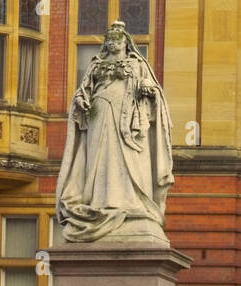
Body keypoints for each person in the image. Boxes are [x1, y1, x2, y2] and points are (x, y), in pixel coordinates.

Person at [56, 20, 174, 243]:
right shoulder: (96, 65)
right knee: (99, 159)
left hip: (127, 117)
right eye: (109, 40)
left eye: (116, 40)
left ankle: (129, 202)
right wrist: (81, 100)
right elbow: (83, 91)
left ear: (125, 43)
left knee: (126, 159)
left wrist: (147, 90)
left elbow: (152, 90)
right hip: (99, 115)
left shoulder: (137, 64)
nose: (112, 43)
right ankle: (100, 202)